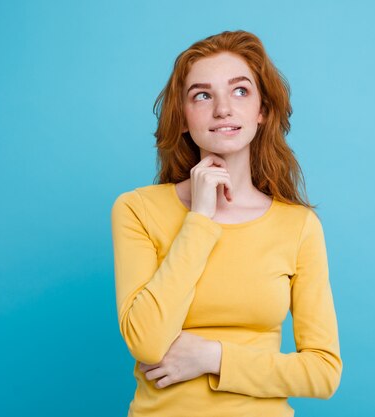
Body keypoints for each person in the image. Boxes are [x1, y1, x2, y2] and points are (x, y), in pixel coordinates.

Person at [110, 29, 343, 417]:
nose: (223, 109)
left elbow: (323, 372)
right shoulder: (137, 210)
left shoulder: (298, 226)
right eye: (202, 95)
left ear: (262, 111)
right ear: (183, 118)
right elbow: (147, 343)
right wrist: (199, 219)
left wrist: (213, 357)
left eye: (240, 91)